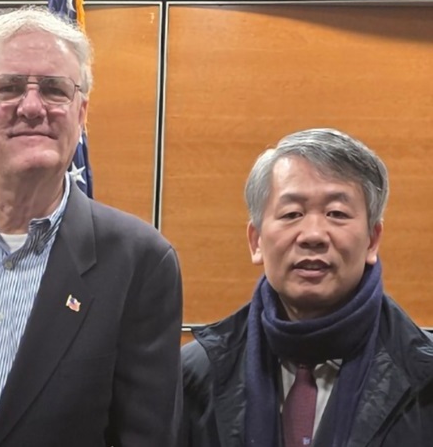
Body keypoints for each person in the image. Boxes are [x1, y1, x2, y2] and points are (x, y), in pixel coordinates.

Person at [0, 6, 182, 447]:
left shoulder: (141, 262)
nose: (31, 107)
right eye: (8, 87)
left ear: (81, 112)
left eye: (54, 89)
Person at [179, 128, 433, 447]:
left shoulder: (425, 375)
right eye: (292, 214)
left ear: (372, 240)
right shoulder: (194, 376)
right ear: (256, 242)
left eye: (336, 213)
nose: (313, 235)